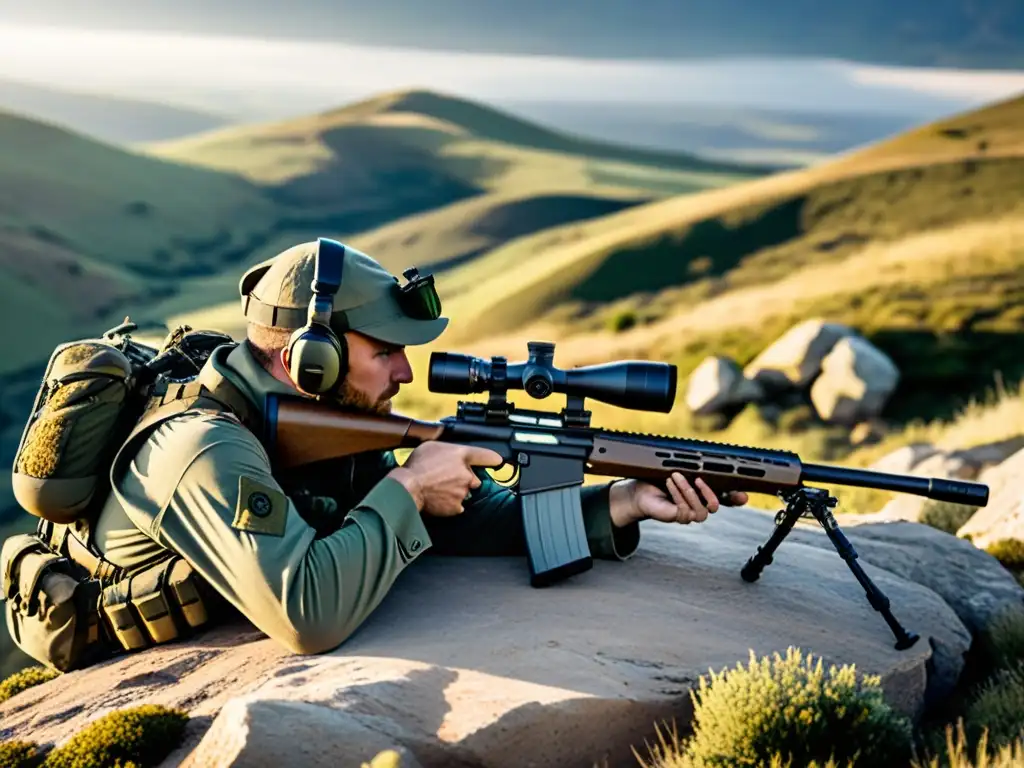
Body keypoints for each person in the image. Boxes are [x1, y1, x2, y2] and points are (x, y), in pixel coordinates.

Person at [89, 238, 748, 656]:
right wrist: (407, 489)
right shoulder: (202, 448)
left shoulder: (323, 415)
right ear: (308, 360)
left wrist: (624, 502)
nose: (406, 373)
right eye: (386, 353)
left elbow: (473, 521)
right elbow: (307, 618)